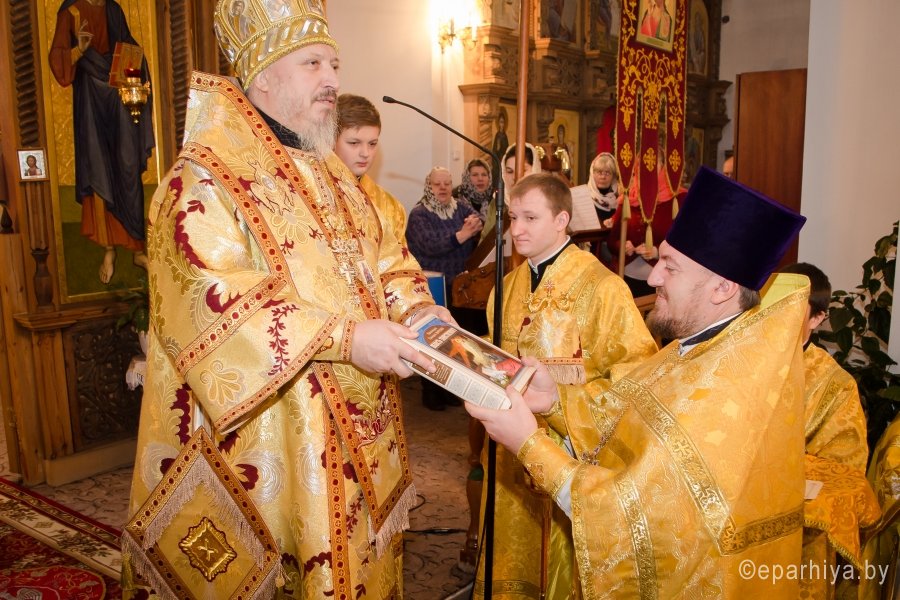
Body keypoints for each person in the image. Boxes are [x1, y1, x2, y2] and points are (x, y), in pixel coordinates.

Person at [122, 2, 451, 597]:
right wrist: (345, 338)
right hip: (275, 437)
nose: (332, 80)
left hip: (359, 430)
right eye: (312, 64)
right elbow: (212, 299)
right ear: (264, 76)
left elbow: (385, 260)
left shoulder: (334, 175)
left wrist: (422, 311)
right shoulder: (204, 179)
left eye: (335, 64)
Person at [467, 166, 811, 597]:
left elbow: (631, 518)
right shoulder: (691, 351)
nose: (651, 278)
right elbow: (623, 417)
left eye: (670, 267)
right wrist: (555, 400)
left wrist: (528, 444)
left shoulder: (727, 391)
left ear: (722, 288)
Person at [475, 173, 657, 598]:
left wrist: (565, 398)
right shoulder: (506, 286)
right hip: (508, 450)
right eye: (513, 217)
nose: (517, 229)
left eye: (530, 218)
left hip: (569, 452)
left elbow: (637, 375)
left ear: (561, 220)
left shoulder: (604, 288)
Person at [780, 262, 879, 598]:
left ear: (817, 318)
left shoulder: (836, 385)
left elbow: (844, 469)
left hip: (798, 526)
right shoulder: (738, 364)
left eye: (793, 308)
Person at [49, 0, 155, 284]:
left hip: (119, 92)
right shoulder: (71, 11)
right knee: (99, 167)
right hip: (90, 97)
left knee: (128, 164)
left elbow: (130, 47)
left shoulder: (113, 9)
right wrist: (79, 50)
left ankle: (137, 248)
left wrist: (135, 67)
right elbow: (58, 60)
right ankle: (109, 249)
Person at [407, 167, 483, 410]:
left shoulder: (460, 207)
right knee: (434, 341)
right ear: (428, 186)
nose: (442, 188)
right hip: (433, 286)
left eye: (447, 184)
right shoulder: (419, 214)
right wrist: (461, 234)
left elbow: (478, 219)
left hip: (461, 286)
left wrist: (474, 223)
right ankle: (431, 393)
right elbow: (430, 246)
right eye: (437, 184)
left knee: (456, 343)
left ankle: (451, 390)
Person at [334, 93, 407, 243]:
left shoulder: (391, 208)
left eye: (372, 144)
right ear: (331, 141)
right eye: (354, 143)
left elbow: (400, 257)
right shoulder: (307, 194)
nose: (365, 153)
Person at [605, 164, 683, 297]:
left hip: (661, 283)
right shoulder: (628, 197)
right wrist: (622, 246)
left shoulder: (677, 199)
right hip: (626, 279)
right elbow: (612, 241)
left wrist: (658, 252)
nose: (647, 172)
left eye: (654, 165)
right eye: (642, 166)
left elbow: (683, 242)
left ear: (664, 169)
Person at [492, 108, 510, 192]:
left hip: (503, 158)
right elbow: (495, 149)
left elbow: (506, 148)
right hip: (497, 159)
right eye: (500, 122)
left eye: (503, 122)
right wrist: (498, 149)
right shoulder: (497, 135)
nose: (501, 124)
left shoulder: (504, 135)